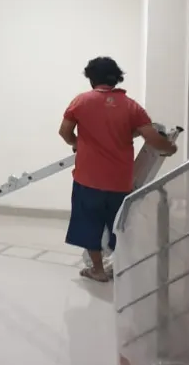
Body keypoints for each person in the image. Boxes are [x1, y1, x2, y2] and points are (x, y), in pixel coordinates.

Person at [58, 57, 177, 282]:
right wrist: (170, 148)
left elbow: (64, 132)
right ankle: (122, 267)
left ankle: (98, 270)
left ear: (91, 78)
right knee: (119, 225)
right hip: (119, 181)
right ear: (116, 78)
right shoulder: (132, 106)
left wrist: (77, 144)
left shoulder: (81, 101)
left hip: (87, 179)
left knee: (89, 223)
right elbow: (152, 137)